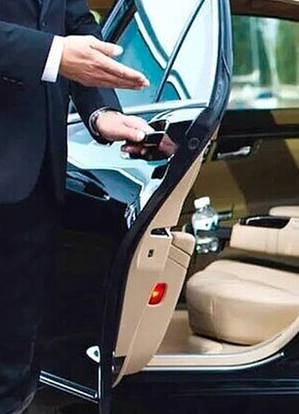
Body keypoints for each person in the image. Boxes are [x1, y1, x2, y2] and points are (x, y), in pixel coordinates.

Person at [0, 1, 154, 413]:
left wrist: (102, 111)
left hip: (38, 180)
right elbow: (61, 48)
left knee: (17, 360)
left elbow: (76, 23)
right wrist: (52, 54)